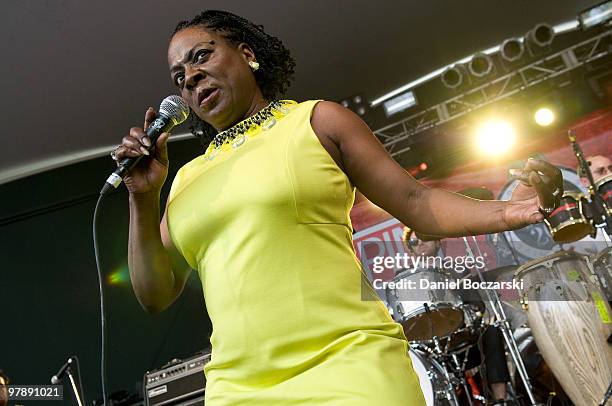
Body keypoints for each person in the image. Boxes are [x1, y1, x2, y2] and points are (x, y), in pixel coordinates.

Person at [113, 10, 563, 405]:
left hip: (348, 365)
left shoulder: (316, 121)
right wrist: (143, 196)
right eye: (178, 77)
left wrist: (508, 214)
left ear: (247, 53)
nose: (190, 77)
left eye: (202, 56)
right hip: (239, 388)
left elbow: (417, 202)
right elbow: (156, 293)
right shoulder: (187, 179)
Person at [402, 228, 511, 405]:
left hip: (464, 339)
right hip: (431, 350)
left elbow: (478, 307)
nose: (419, 243)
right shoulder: (405, 278)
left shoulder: (456, 270)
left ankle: (501, 401)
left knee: (491, 332)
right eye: (413, 242)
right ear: (410, 249)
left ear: (437, 242)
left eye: (423, 237)